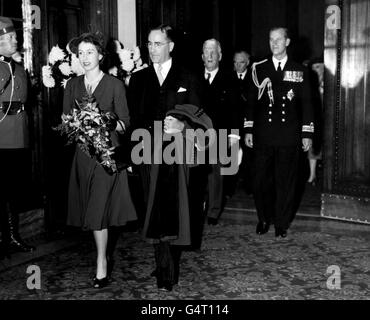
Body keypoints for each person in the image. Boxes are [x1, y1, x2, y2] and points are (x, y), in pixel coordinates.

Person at [62, 32, 137, 288]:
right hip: (83, 156)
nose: (84, 58)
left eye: (89, 52)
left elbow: (126, 124)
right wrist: (75, 125)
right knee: (93, 209)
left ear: (101, 56)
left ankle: (101, 263)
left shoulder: (115, 84)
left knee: (97, 209)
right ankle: (102, 256)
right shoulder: (72, 85)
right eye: (80, 53)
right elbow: (65, 121)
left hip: (107, 156)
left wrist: (107, 121)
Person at [127, 24, 205, 246]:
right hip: (147, 151)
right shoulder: (138, 79)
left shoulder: (188, 77)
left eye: (158, 44)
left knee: (173, 207)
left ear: (170, 46)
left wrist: (183, 125)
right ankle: (163, 264)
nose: (152, 49)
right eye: (149, 44)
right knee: (151, 208)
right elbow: (134, 119)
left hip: (177, 153)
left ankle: (167, 272)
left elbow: (200, 115)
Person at [245, 27, 314, 238]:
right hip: (263, 133)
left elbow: (307, 105)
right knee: (260, 181)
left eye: (278, 40)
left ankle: (281, 223)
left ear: (287, 42)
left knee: (286, 181)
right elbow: (250, 103)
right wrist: (248, 128)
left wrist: (307, 133)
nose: (274, 44)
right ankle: (264, 218)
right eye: (271, 40)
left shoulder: (299, 70)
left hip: (288, 134)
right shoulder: (259, 69)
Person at [142, 104, 213, 291]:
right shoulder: (158, 137)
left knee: (170, 229)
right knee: (159, 227)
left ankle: (167, 274)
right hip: (156, 185)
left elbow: (204, 141)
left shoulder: (187, 134)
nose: (167, 122)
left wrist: (184, 129)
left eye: (171, 120)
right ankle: (162, 269)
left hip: (178, 188)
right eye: (166, 120)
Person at [0, 16, 35, 258]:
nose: (16, 40)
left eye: (14, 36)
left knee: (12, 189)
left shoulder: (18, 67)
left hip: (17, 134)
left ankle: (12, 236)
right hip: (1, 134)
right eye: (10, 37)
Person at [200, 39, 239, 226]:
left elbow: (235, 109)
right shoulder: (194, 78)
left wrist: (233, 134)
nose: (209, 55)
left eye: (213, 52)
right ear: (201, 56)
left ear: (220, 56)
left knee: (217, 173)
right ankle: (199, 205)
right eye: (206, 52)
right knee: (198, 172)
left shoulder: (230, 79)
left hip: (220, 133)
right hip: (197, 134)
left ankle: (213, 210)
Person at [225, 49, 253, 197]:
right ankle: (229, 189)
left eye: (241, 62)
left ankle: (249, 187)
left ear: (247, 62)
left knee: (249, 158)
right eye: (235, 62)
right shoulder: (227, 78)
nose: (238, 65)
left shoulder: (254, 78)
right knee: (231, 157)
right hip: (233, 125)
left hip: (249, 126)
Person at [306, 57, 324, 185]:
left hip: (327, 119)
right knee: (312, 147)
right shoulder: (310, 83)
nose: (315, 70)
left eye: (317, 67)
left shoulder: (331, 81)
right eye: (313, 68)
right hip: (314, 119)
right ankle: (312, 175)